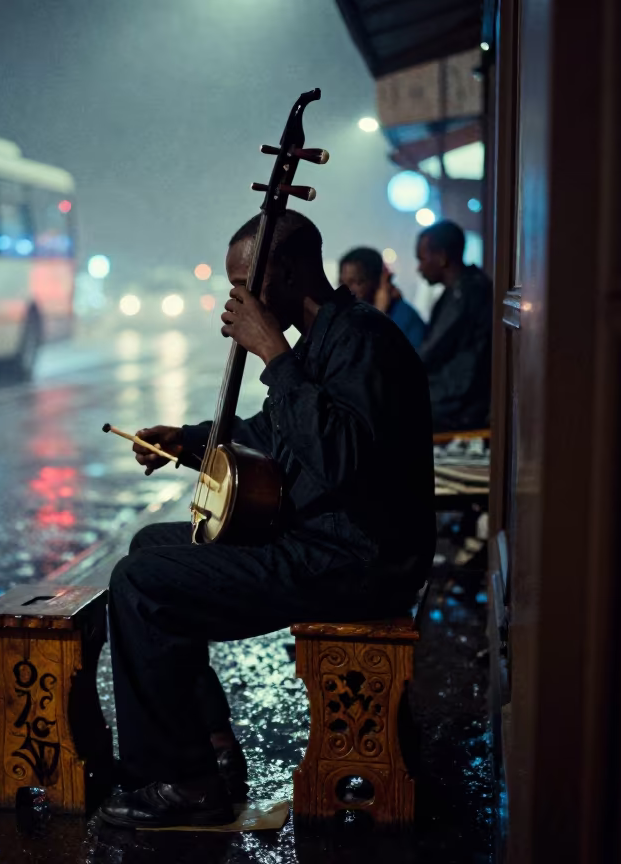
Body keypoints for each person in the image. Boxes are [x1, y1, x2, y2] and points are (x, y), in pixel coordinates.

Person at [97, 211, 435, 829]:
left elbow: (341, 460)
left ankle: (187, 782)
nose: (236, 301)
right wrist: (189, 442)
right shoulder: (325, 339)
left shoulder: (363, 340)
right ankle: (213, 744)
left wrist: (275, 355)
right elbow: (272, 434)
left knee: (142, 583)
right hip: (323, 538)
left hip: (359, 557)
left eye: (243, 285)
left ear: (286, 271)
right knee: (151, 544)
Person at [415, 220, 493, 433]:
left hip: (459, 402)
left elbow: (431, 351)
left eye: (422, 259)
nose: (419, 268)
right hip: (456, 393)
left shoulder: (466, 293)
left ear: (441, 257)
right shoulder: (462, 289)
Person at [338, 246, 425, 348]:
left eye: (357, 283)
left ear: (378, 281)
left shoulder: (405, 318)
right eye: (342, 283)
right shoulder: (347, 317)